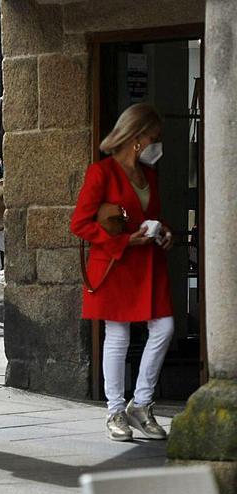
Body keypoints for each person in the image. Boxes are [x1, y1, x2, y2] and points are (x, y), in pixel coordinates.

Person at [70, 103, 174, 442]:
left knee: (164, 326)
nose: (157, 144)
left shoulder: (150, 175)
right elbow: (80, 224)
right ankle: (116, 410)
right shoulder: (101, 173)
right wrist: (125, 241)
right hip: (116, 263)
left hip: (146, 264)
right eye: (154, 138)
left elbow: (151, 213)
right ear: (137, 137)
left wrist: (164, 231)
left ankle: (141, 404)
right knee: (118, 336)